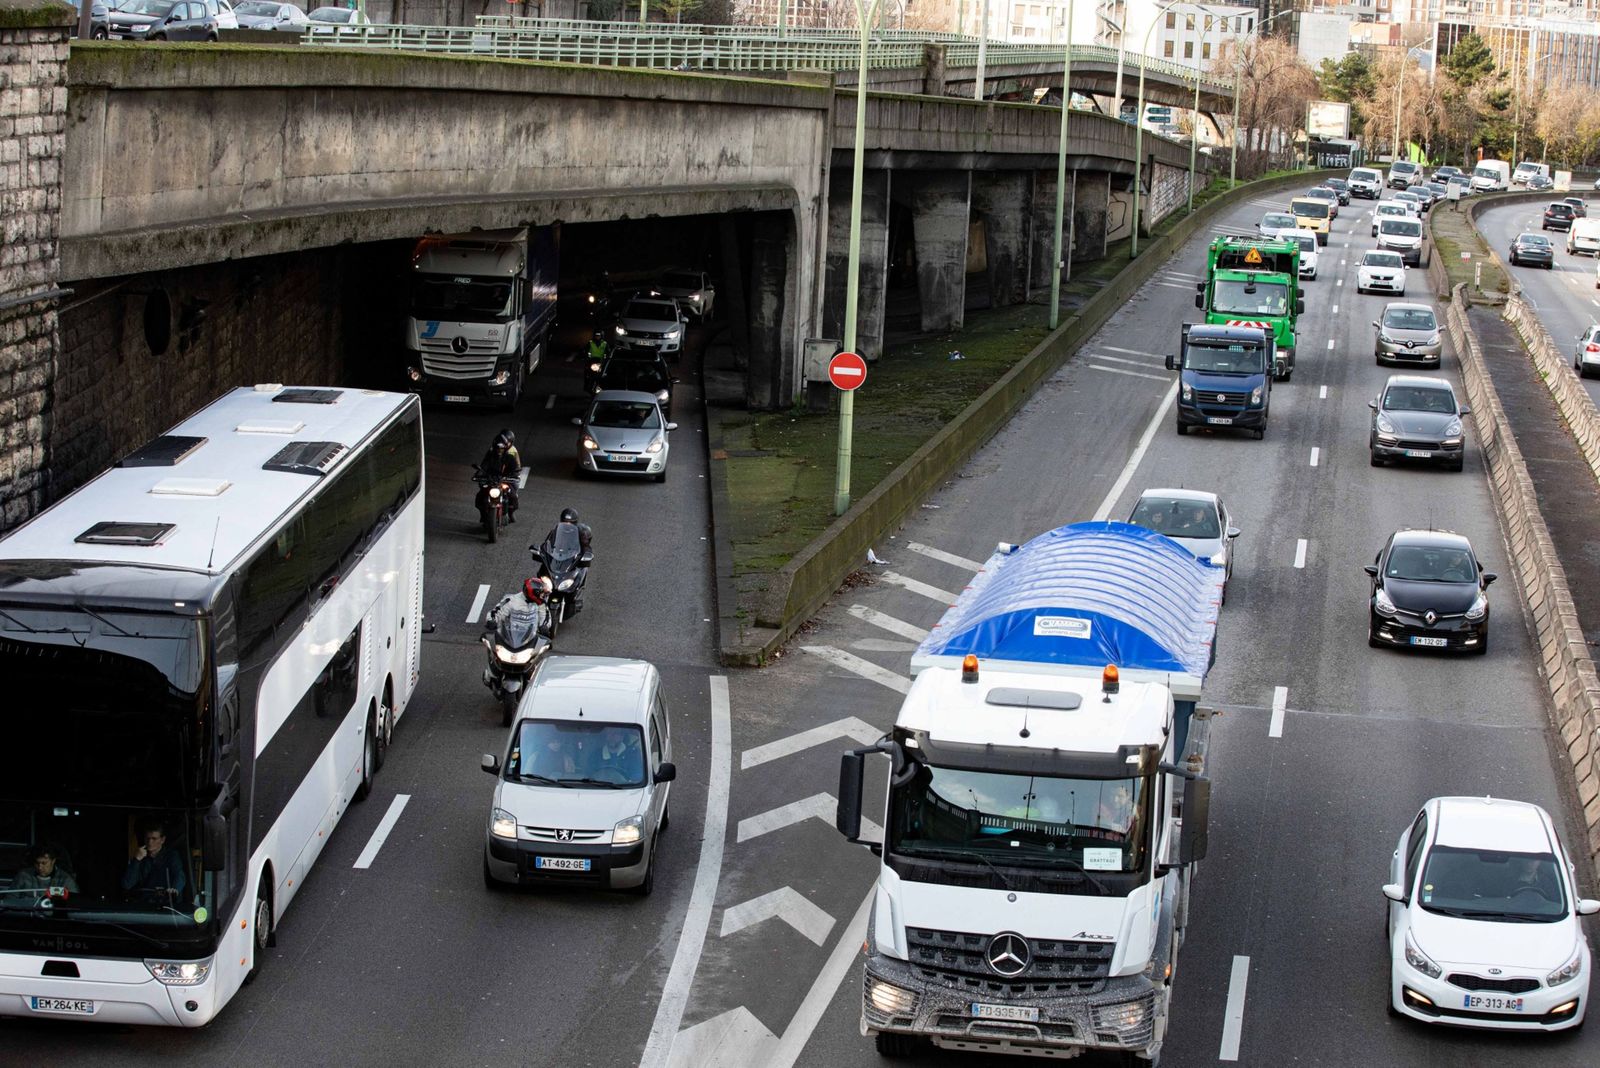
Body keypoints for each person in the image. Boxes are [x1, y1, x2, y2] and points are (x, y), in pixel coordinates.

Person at [121, 823, 186, 901]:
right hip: (144, 903)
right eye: (147, 838)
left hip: (166, 903)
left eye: (154, 838)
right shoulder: (140, 858)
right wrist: (137, 860)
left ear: (162, 840)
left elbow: (179, 875)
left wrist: (175, 889)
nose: (150, 842)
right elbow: (127, 884)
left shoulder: (172, 855)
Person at [485, 576, 553, 641]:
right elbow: (497, 612)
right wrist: (492, 620)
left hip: (532, 636)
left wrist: (544, 626)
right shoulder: (511, 601)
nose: (543, 596)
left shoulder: (542, 603)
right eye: (541, 594)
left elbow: (545, 616)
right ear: (533, 594)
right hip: (511, 636)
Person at [477, 430, 521, 523]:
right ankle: (482, 514)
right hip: (491, 479)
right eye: (497, 448)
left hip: (505, 479)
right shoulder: (490, 454)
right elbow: (484, 466)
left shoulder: (511, 456)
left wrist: (514, 475)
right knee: (480, 495)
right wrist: (479, 474)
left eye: (501, 448)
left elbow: (516, 467)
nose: (499, 450)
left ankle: (510, 513)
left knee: (513, 495)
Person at [14, 846, 80, 895]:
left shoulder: (66, 880)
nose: (40, 867)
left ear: (53, 861)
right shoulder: (23, 876)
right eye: (37, 863)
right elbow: (10, 899)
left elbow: (74, 903)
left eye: (44, 863)